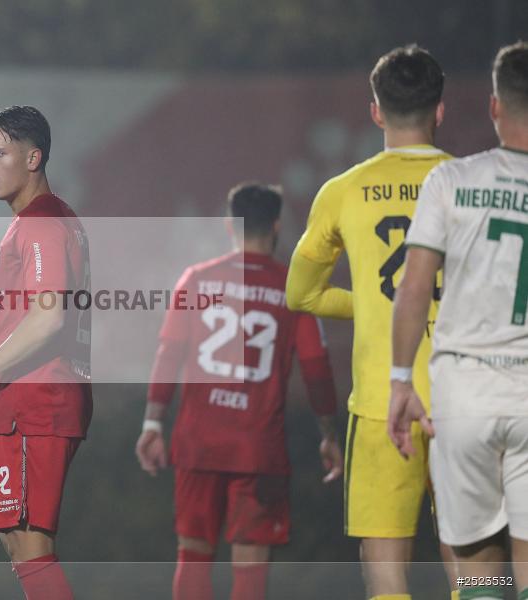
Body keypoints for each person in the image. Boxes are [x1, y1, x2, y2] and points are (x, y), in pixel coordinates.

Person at [286, 45, 458, 600]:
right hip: (464, 397)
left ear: (376, 112)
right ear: (439, 111)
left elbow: (300, 294)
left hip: (383, 404)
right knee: (474, 554)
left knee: (383, 562)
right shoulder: (472, 184)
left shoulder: (341, 190)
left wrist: (375, 304)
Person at [136, 182, 343, 600]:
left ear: (230, 225)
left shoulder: (197, 279)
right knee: (250, 564)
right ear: (278, 225)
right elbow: (316, 369)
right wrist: (329, 434)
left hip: (199, 443)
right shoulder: (293, 288)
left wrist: (153, 423)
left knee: (193, 555)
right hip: (258, 449)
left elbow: (168, 354)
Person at [389, 41, 528, 600]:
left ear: (494, 105)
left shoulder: (450, 181)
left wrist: (401, 381)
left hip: (465, 393)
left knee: (477, 573)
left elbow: (414, 286)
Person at [0, 105, 91, 600]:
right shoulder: (47, 219)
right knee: (18, 542)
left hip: (41, 398)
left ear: (34, 158)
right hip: (27, 399)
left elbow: (49, 319)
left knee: (30, 547)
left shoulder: (43, 222)